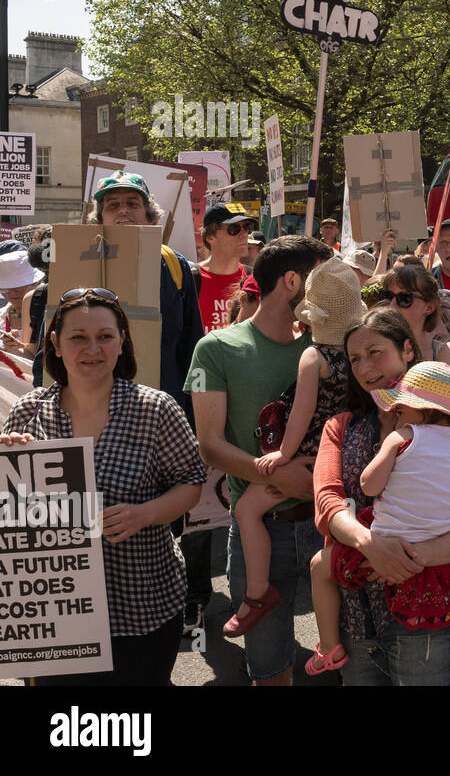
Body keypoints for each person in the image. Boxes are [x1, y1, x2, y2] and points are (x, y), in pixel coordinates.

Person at [2, 287, 205, 685]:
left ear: (122, 341)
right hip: (54, 614)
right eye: (78, 337)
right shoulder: (28, 412)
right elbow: (12, 520)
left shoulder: (156, 409)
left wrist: (145, 514)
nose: (92, 348)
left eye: (105, 336)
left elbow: (192, 483)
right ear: (56, 345)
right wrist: (6, 464)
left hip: (140, 606)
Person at [314, 309, 450, 684]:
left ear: (408, 350)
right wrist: (370, 545)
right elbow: (327, 501)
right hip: (357, 617)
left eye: (375, 351)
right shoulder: (341, 426)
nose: (364, 366)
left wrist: (409, 560)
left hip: (431, 622)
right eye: (354, 358)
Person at [186, 234, 334, 685]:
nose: (334, 288)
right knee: (270, 670)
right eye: (323, 279)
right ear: (292, 282)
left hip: (333, 527)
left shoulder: (332, 347)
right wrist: (275, 476)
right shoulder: (213, 349)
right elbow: (209, 444)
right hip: (260, 534)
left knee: (352, 659)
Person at [89, 170, 206, 634]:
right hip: (89, 422)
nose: (122, 211)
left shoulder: (175, 266)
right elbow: (49, 348)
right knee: (88, 527)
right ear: (98, 217)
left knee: (156, 529)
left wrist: (196, 422)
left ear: (149, 214)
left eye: (132, 203)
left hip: (158, 422)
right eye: (112, 204)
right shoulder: (80, 261)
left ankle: (154, 626)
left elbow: (194, 350)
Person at [224, 257, 365, 637]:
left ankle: (257, 594)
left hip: (307, 454)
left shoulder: (313, 355)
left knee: (247, 510)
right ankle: (334, 640)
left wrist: (283, 455)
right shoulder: (359, 353)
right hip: (345, 453)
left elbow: (301, 412)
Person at [377, 263, 450, 375]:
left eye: (404, 298)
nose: (392, 305)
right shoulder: (372, 349)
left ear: (429, 308)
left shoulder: (448, 353)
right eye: (387, 296)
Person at [198, 203, 255, 334]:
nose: (244, 234)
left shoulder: (252, 279)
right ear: (210, 237)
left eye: (247, 228)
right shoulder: (190, 279)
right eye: (234, 229)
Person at [0, 248, 42, 357]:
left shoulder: (47, 316)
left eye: (18, 289)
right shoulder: (2, 316)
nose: (13, 294)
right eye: (7, 289)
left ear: (36, 284)